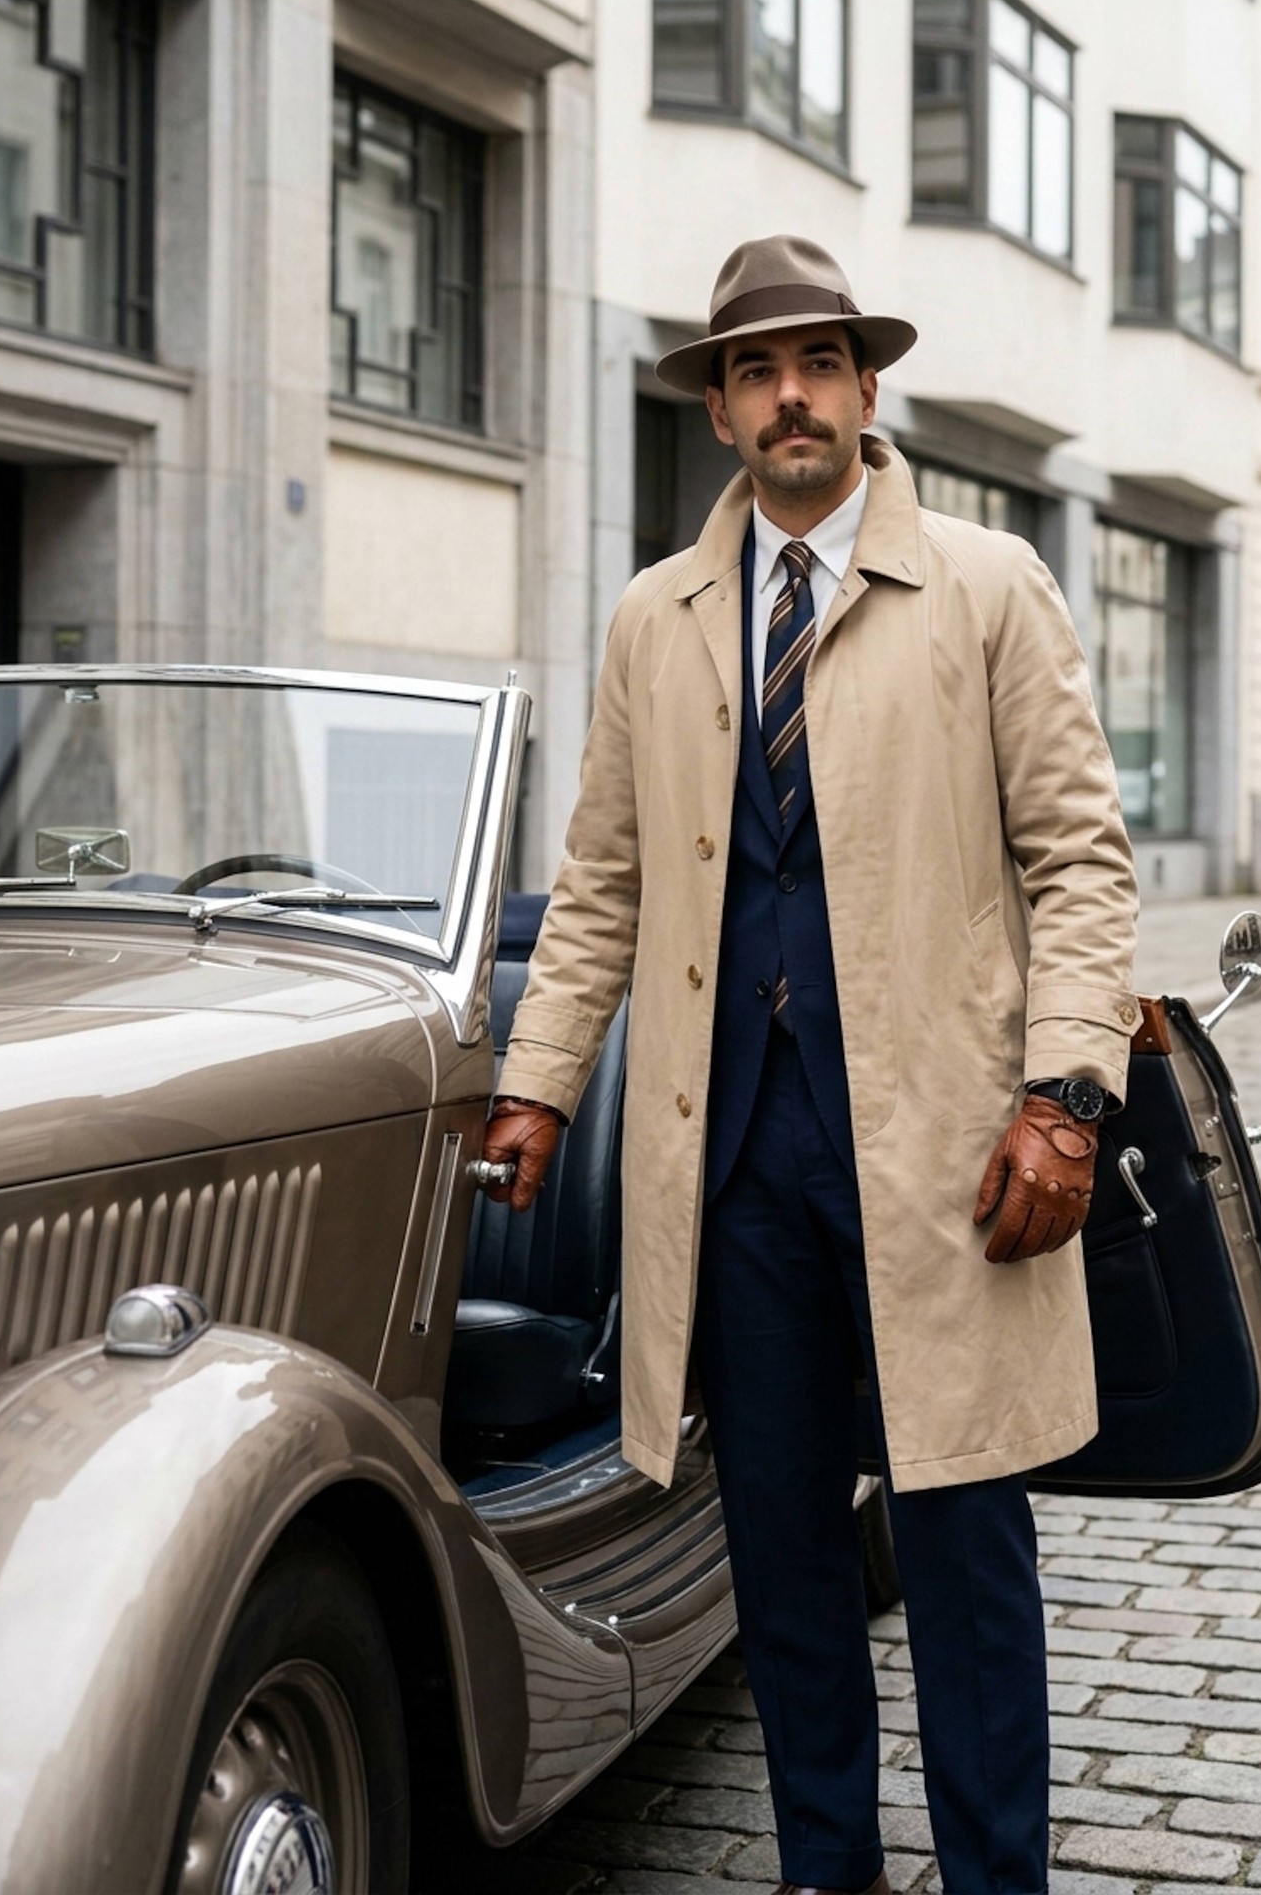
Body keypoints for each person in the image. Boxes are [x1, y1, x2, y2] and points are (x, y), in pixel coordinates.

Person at [481, 236, 1139, 1895]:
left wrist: (1065, 1096)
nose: (791, 396)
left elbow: (1080, 864)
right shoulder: (655, 617)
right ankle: (821, 1867)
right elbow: (603, 883)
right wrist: (540, 1081)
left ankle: (995, 1878)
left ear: (864, 388)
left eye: (819, 364)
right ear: (717, 409)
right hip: (731, 1163)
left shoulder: (986, 584)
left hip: (948, 1149)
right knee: (776, 1543)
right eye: (757, 371)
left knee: (961, 1540)